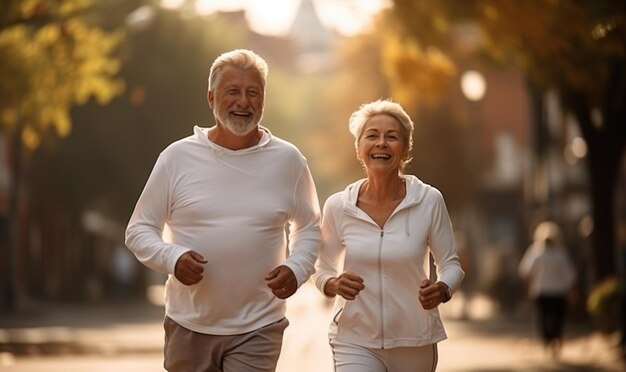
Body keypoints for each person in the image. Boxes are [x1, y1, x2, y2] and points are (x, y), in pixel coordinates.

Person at [125, 49, 321, 372]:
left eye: (253, 93)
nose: (243, 102)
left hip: (260, 324)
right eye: (233, 92)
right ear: (211, 97)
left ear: (263, 100)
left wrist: (297, 268)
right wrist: (172, 258)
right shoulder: (176, 158)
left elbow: (311, 226)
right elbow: (138, 230)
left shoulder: (289, 160)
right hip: (188, 323)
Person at [312, 99, 465, 372]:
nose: (381, 143)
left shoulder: (428, 200)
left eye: (391, 137)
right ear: (359, 148)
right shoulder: (338, 206)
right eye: (372, 135)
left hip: (414, 340)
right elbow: (321, 267)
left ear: (405, 150)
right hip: (354, 338)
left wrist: (442, 289)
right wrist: (332, 284)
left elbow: (450, 264)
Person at [518, 221, 575, 357]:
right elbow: (569, 274)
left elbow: (525, 270)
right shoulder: (560, 253)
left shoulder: (536, 252)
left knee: (544, 318)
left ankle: (548, 341)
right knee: (557, 318)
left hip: (542, 291)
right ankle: (555, 339)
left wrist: (529, 283)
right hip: (558, 292)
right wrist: (571, 290)